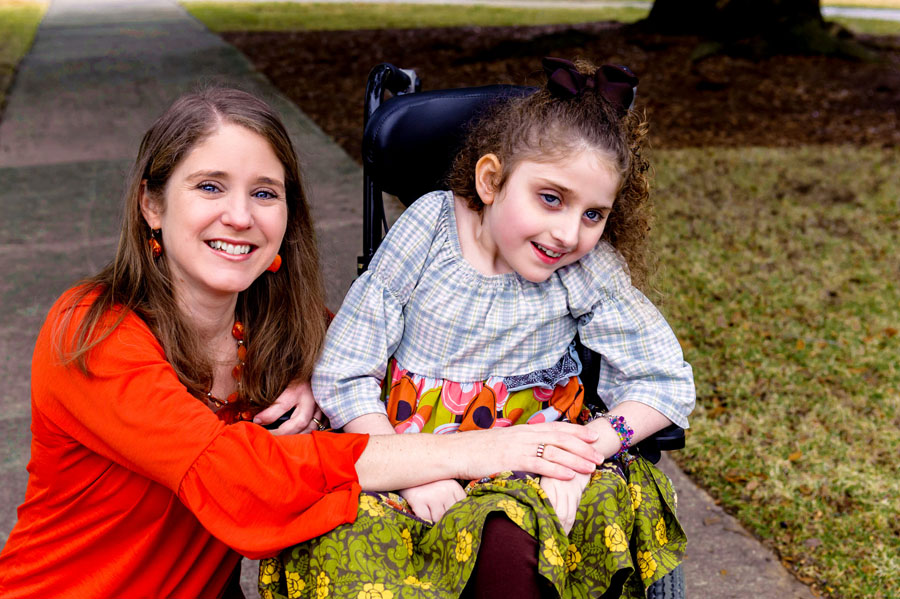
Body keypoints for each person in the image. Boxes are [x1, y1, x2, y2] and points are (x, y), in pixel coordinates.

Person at [0, 86, 606, 599]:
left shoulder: (280, 327)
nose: (240, 216)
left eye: (265, 193)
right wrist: (486, 450)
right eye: (210, 187)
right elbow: (239, 478)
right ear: (151, 204)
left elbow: (381, 350)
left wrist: (319, 370)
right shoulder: (90, 331)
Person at [265, 58, 696, 599]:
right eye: (551, 198)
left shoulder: (585, 269)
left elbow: (665, 381)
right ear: (491, 180)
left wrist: (587, 450)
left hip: (535, 463)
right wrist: (411, 470)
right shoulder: (429, 230)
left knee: (515, 537)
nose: (568, 233)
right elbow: (346, 370)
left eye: (594, 214)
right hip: (405, 447)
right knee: (346, 539)